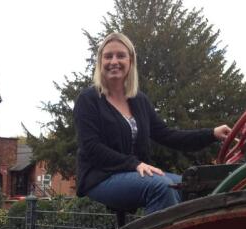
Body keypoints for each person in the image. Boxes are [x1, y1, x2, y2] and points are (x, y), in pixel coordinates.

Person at [74, 32, 232, 214]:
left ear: (130, 61)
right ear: (100, 62)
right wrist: (133, 164)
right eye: (108, 56)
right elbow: (91, 147)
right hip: (100, 177)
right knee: (163, 187)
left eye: (121, 55)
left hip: (135, 174)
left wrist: (211, 134)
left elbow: (167, 135)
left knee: (193, 187)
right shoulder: (89, 100)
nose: (114, 61)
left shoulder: (139, 101)